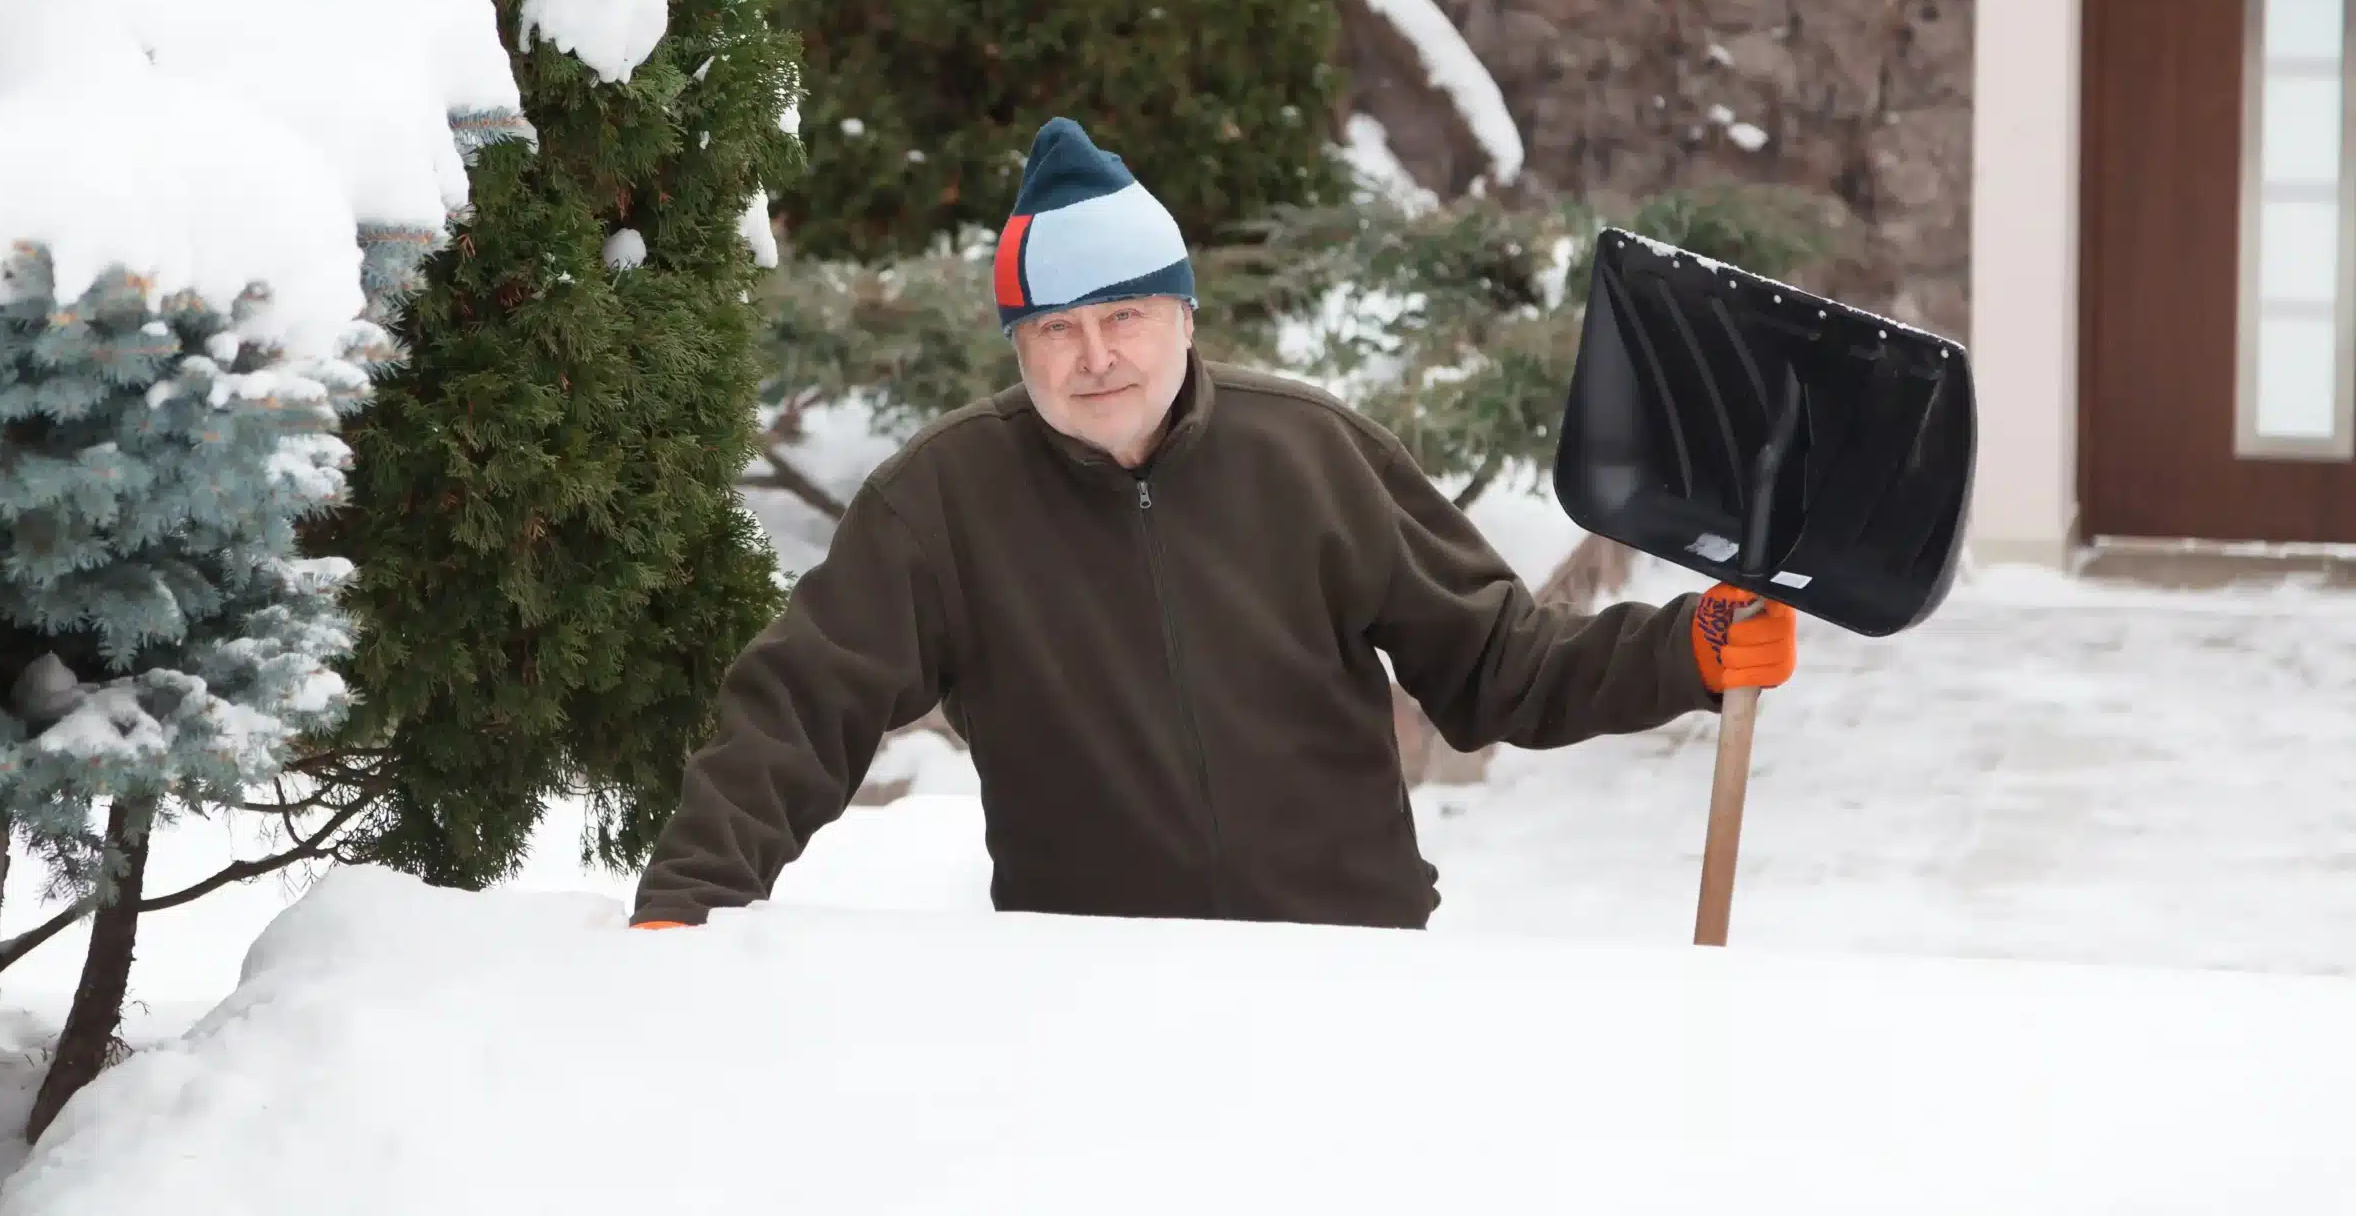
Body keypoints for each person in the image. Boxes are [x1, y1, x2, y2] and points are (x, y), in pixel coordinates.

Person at [632, 117, 1795, 931]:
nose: (1094, 359)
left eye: (1124, 316)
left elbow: (1498, 666)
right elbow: (799, 709)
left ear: (1183, 315)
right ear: (1018, 344)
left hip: (1344, 967)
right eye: (1055, 330)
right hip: (1087, 984)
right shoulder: (943, 501)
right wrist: (690, 898)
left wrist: (1685, 649)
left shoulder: (1311, 454)